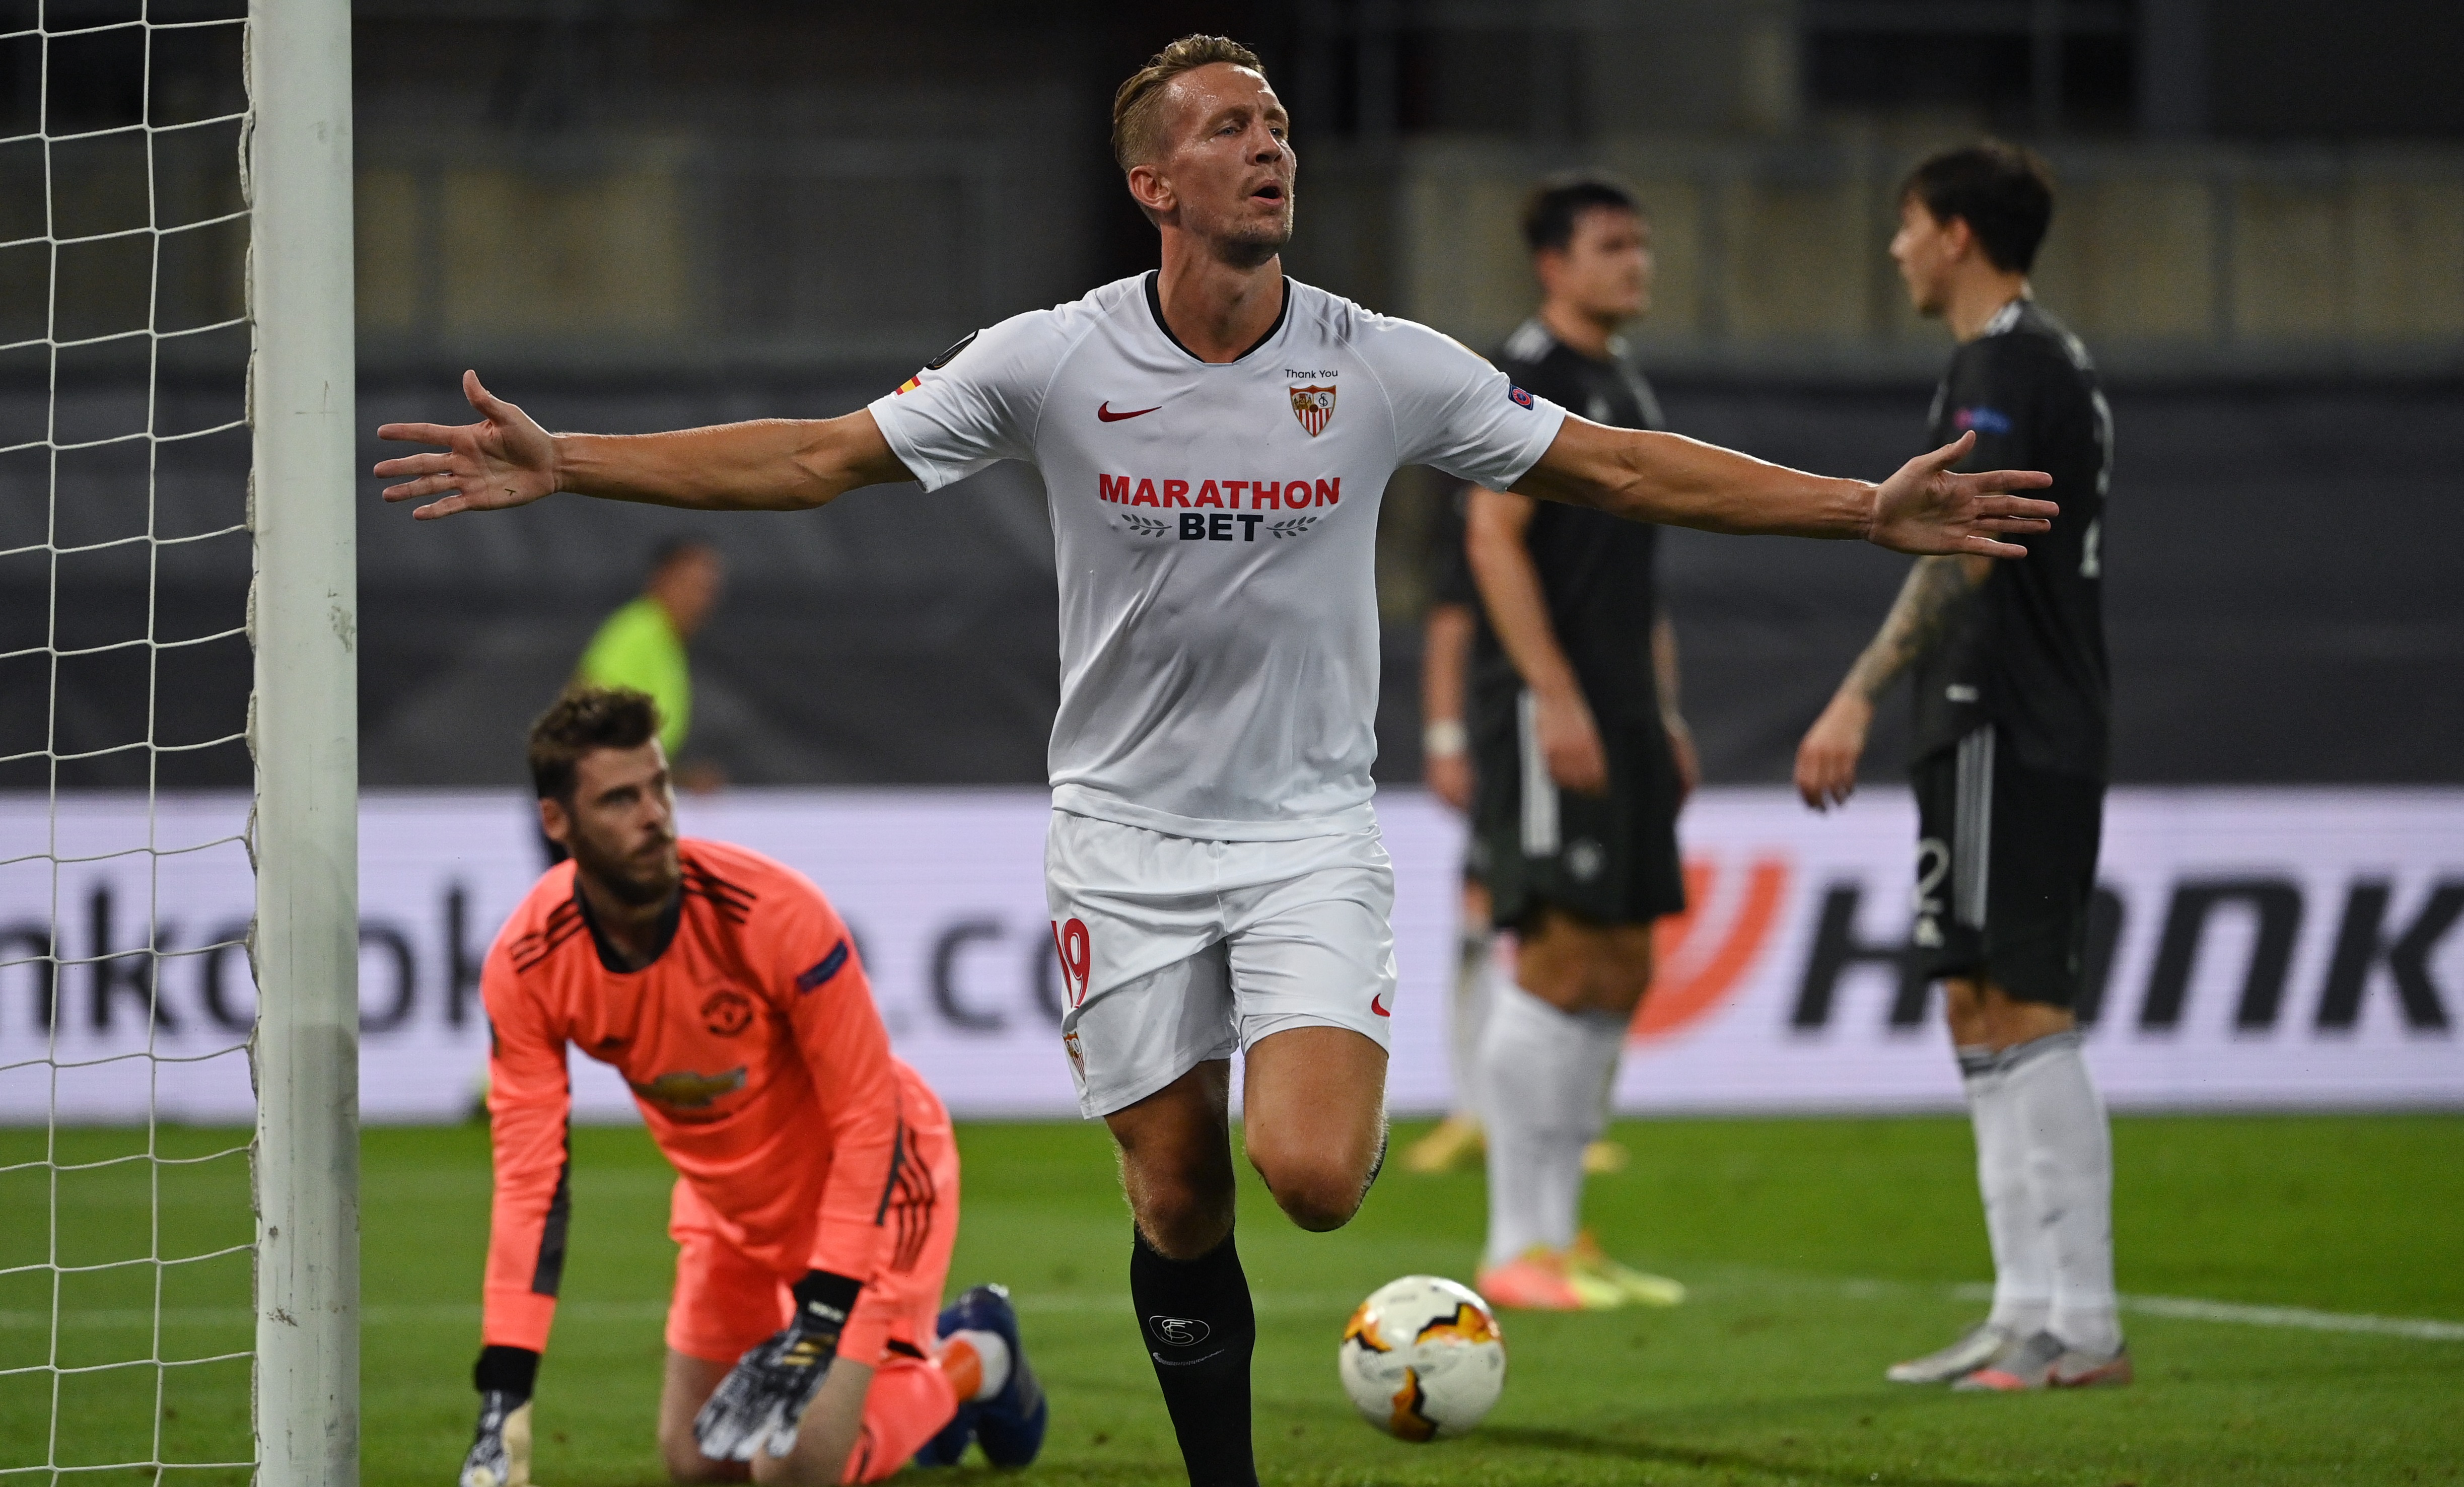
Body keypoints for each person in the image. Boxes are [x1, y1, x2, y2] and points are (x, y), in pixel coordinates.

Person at [380, 37, 2055, 1485]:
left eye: (1277, 124)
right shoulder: (1051, 358)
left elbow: (1609, 468)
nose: (1271, 146)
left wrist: (1857, 506)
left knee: (1311, 1177)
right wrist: (573, 462)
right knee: (1176, 1195)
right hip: (1117, 835)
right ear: (1151, 183)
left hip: (1307, 828)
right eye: (1228, 126)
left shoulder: (1379, 362)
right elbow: (821, 454)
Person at [457, 687, 1046, 1487]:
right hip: (727, 1209)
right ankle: (896, 1399)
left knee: (793, 1470)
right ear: (557, 823)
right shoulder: (528, 963)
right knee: (700, 1466)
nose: (654, 815)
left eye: (658, 787)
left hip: (872, 1182)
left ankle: (973, 1359)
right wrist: (507, 1394)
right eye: (620, 798)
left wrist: (823, 1313)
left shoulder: (771, 912)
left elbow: (869, 1116)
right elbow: (531, 1182)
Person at [1794, 141, 2125, 1392]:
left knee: (2025, 1003)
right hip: (2001, 715)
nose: (1895, 248)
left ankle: (2082, 1321)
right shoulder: (2038, 361)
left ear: (1957, 235)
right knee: (1977, 1002)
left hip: (2008, 714)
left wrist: (1853, 692)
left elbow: (1965, 545)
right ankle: (2025, 1305)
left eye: (1907, 223)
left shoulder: (2005, 363)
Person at [1458, 176, 1695, 1312]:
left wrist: (1663, 708)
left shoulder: (1622, 383)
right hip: (1549, 704)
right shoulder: (1527, 380)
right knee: (1556, 954)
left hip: (1626, 708)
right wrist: (1550, 694)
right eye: (1612, 245)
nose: (1634, 264)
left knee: (1623, 960)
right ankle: (1517, 1242)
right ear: (1553, 264)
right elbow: (1492, 537)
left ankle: (1565, 1237)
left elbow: (1638, 580)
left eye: (1639, 244)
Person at [1397, 484, 1497, 1177]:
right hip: (1506, 737)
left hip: (1597, 734)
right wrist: (1444, 736)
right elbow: (1451, 623)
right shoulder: (1493, 502)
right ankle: (1472, 1110)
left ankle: (1564, 1118)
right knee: (1483, 914)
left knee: (1584, 932)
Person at [577, 537, 726, 783]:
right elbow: (585, 716)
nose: (701, 599)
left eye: (709, 589)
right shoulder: (639, 630)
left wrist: (682, 780)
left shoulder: (669, 643)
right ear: (660, 580)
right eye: (690, 584)